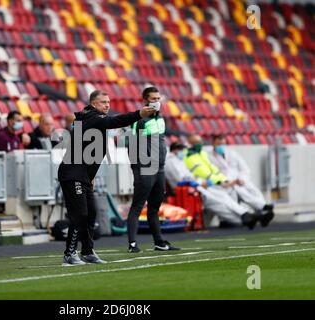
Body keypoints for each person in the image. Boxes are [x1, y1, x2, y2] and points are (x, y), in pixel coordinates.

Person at [58, 89, 156, 265]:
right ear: (94, 104)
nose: (108, 105)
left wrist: (91, 176)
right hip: (72, 174)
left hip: (83, 175)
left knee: (91, 213)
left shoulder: (91, 120)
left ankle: (87, 251)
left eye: (109, 102)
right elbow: (115, 121)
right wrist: (138, 114)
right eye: (104, 102)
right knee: (79, 214)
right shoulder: (93, 118)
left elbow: (90, 153)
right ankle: (69, 254)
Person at [126, 86, 179, 253]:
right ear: (145, 101)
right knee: (137, 206)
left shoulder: (160, 117)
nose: (156, 102)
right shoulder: (139, 120)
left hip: (160, 168)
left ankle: (159, 242)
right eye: (153, 99)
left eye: (158, 99)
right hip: (146, 168)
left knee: (155, 207)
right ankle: (132, 244)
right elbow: (131, 144)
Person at [166, 142, 254, 228]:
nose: (183, 153)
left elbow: (189, 176)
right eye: (182, 150)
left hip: (193, 187)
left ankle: (244, 216)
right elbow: (181, 179)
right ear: (175, 150)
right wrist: (200, 183)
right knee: (219, 201)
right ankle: (243, 215)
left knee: (221, 199)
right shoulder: (171, 162)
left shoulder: (177, 161)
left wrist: (202, 182)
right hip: (187, 190)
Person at [184, 134, 261, 229]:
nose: (199, 144)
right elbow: (188, 175)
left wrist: (224, 181)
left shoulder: (202, 154)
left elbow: (214, 170)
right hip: (198, 187)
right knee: (221, 199)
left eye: (200, 142)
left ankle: (245, 216)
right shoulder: (187, 157)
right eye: (196, 143)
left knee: (226, 195)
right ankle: (244, 216)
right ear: (189, 144)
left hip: (211, 184)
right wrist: (204, 182)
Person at [209, 134, 274, 227]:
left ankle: (261, 210)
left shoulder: (232, 154)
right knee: (234, 193)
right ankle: (262, 208)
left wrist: (241, 179)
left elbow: (245, 169)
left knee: (249, 189)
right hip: (222, 184)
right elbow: (212, 174)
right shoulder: (209, 157)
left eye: (223, 144)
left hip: (237, 181)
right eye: (218, 144)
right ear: (213, 143)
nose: (221, 146)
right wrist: (227, 182)